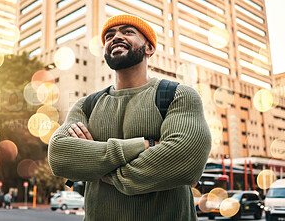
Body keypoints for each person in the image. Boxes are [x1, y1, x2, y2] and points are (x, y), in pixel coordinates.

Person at [48, 14, 211, 221]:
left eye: (127, 32)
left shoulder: (178, 95)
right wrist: (144, 145)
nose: (115, 37)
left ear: (149, 48)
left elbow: (186, 163)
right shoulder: (86, 105)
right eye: (109, 35)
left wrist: (96, 166)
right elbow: (59, 155)